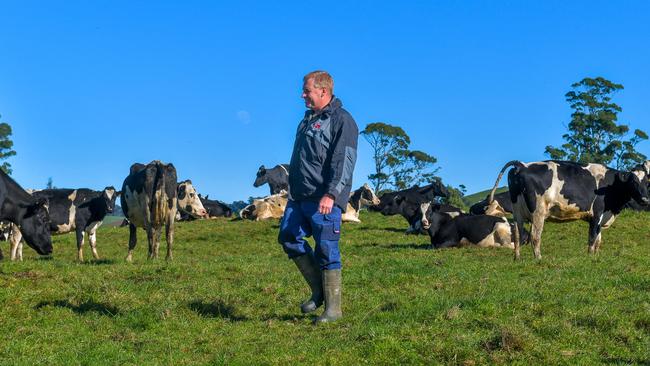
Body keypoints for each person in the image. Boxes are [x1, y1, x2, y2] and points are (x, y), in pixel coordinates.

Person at [278, 70, 359, 323]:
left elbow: (344, 162)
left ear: (323, 91)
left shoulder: (342, 120)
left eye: (307, 90)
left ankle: (333, 310)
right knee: (288, 236)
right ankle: (319, 291)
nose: (302, 95)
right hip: (299, 196)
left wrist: (332, 194)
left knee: (326, 250)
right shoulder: (306, 121)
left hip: (324, 198)